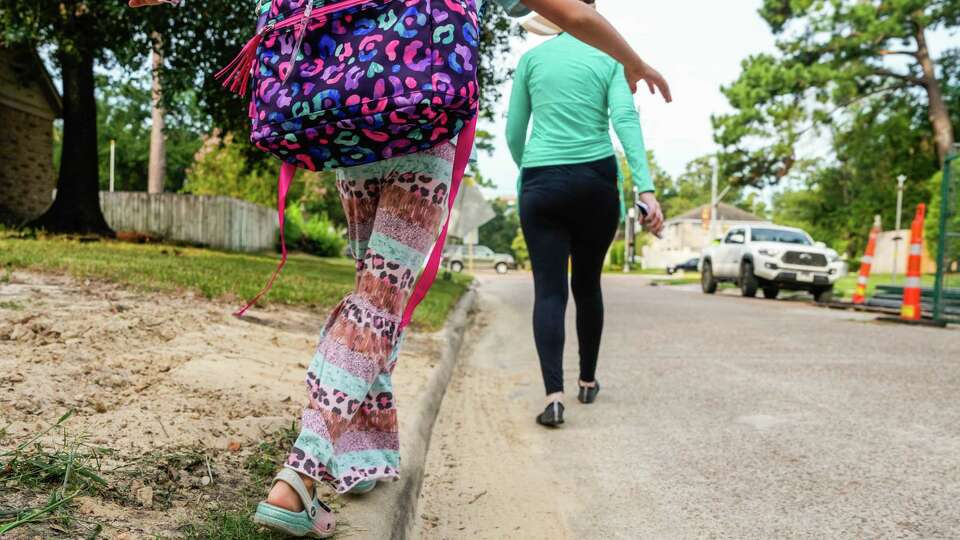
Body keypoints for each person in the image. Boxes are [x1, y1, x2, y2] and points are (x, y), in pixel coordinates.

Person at [130, 0, 669, 537]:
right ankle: (300, 474)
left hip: (352, 118)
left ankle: (364, 459)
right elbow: (571, 11)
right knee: (379, 301)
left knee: (373, 292)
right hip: (422, 121)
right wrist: (635, 61)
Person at [506, 0, 668, 428]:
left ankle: (554, 396)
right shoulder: (611, 59)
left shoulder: (533, 60)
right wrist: (646, 189)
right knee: (588, 285)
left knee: (549, 291)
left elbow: (512, 132)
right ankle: (588, 380)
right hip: (596, 182)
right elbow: (626, 122)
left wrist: (530, 173)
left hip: (543, 181)